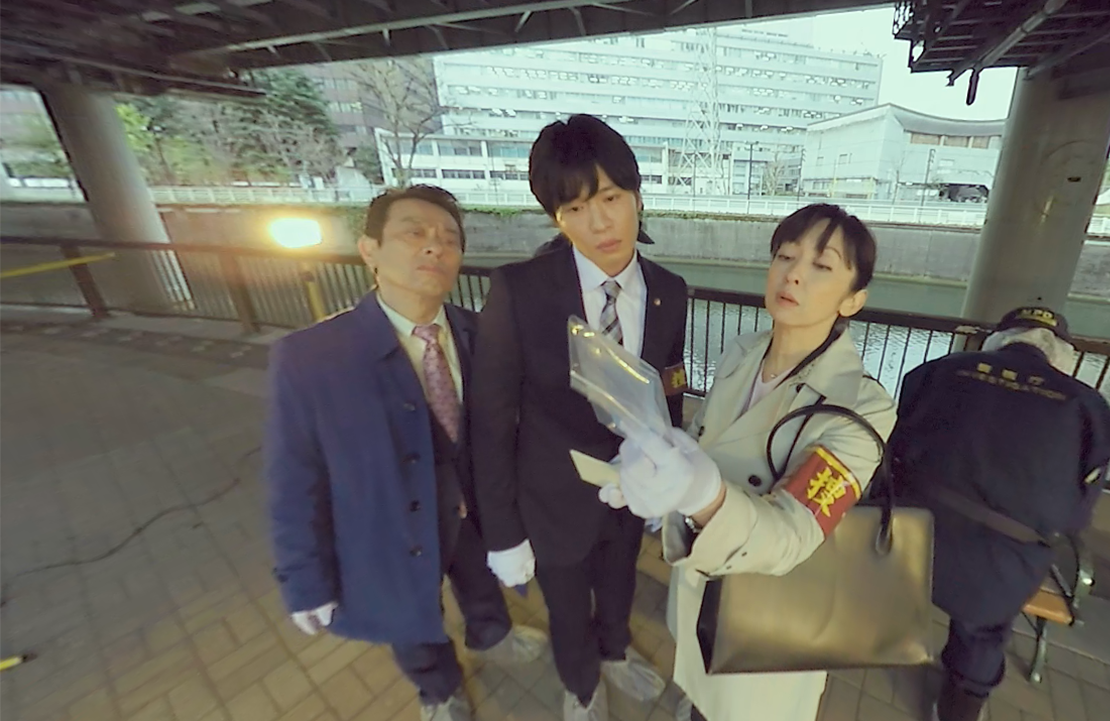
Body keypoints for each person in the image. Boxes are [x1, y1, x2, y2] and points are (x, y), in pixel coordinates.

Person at [602, 204, 897, 721]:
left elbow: (793, 531)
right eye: (785, 256)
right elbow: (703, 438)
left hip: (773, 617)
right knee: (697, 685)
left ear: (853, 300)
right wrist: (659, 471)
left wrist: (700, 495)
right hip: (702, 586)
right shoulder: (742, 352)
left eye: (821, 266)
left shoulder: (863, 407)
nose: (794, 274)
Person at [264, 186, 547, 721]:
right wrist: (304, 580)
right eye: (414, 233)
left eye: (449, 239)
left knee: (479, 574)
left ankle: (492, 633)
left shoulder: (480, 333)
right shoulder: (312, 358)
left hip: (473, 504)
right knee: (410, 608)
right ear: (369, 249)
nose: (434, 247)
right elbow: (293, 480)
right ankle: (438, 689)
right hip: (391, 528)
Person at [469, 114, 689, 721]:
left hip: (632, 490)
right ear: (557, 218)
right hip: (552, 497)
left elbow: (669, 390)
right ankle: (581, 684)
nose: (599, 223)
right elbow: (490, 419)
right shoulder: (520, 290)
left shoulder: (671, 290)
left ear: (636, 195)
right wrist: (503, 532)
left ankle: (614, 650)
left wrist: (666, 477)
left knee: (619, 583)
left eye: (611, 198)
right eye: (574, 209)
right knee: (566, 606)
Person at [887, 307, 1110, 721]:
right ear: (1062, 355)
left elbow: (894, 445)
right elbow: (1075, 518)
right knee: (984, 631)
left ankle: (870, 638)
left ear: (997, 341)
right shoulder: (1088, 408)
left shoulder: (940, 371)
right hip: (996, 571)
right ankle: (958, 708)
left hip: (904, 541)